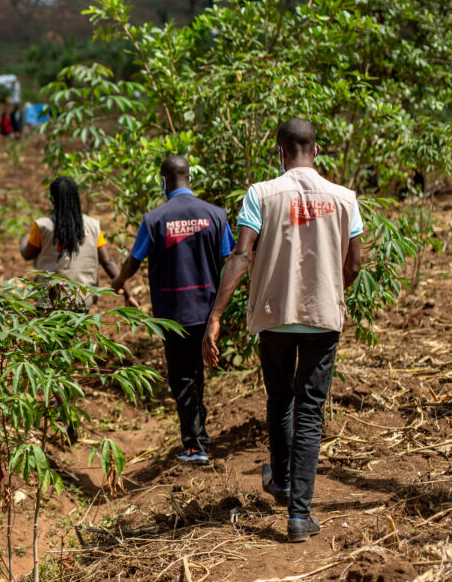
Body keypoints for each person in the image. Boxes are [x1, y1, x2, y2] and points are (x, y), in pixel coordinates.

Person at [202, 118, 362, 544]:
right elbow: (355, 264)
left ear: (280, 151)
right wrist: (330, 292)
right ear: (317, 150)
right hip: (322, 319)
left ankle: (284, 481)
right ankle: (299, 515)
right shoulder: (344, 198)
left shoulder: (261, 194)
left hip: (274, 316)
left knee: (280, 399)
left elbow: (240, 255)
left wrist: (215, 316)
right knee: (310, 411)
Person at [110, 156, 235, 466]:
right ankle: (198, 438)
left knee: (183, 378)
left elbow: (133, 262)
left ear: (162, 181)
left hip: (172, 313)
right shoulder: (216, 215)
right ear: (189, 178)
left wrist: (118, 280)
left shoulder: (154, 219)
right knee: (196, 374)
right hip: (207, 312)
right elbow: (230, 262)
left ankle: (194, 446)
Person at [20, 176, 138, 311]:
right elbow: (107, 262)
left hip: (50, 300)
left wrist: (23, 239)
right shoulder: (93, 226)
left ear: (52, 200)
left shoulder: (43, 226)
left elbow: (27, 254)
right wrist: (128, 295)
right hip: (81, 300)